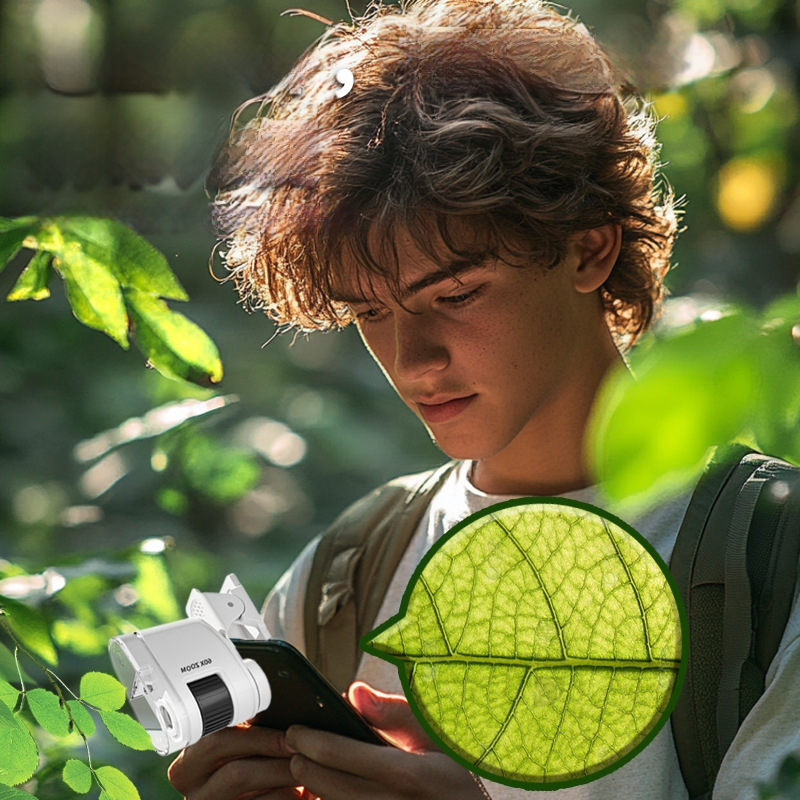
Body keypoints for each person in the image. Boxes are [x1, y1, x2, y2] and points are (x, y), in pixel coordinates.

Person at [167, 0, 799, 797]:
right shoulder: (348, 574)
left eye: (455, 293)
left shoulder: (772, 559)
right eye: (369, 312)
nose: (412, 359)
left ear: (588, 248)